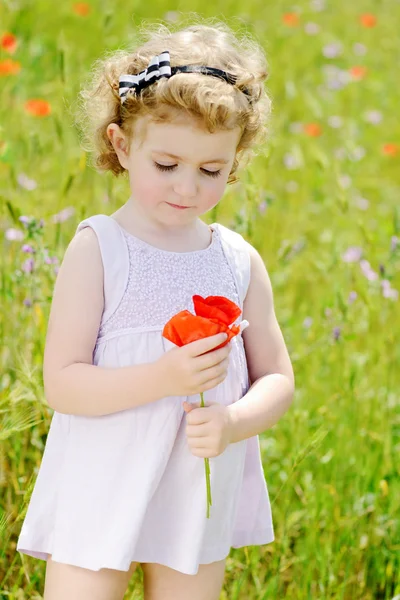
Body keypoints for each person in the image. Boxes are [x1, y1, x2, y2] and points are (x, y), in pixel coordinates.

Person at [16, 19, 295, 600]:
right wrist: (165, 377)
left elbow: (277, 379)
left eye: (211, 171)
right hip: (102, 485)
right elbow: (62, 384)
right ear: (122, 145)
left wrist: (233, 422)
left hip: (194, 490)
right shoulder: (100, 250)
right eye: (167, 165)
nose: (188, 188)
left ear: (235, 161)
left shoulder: (237, 261)